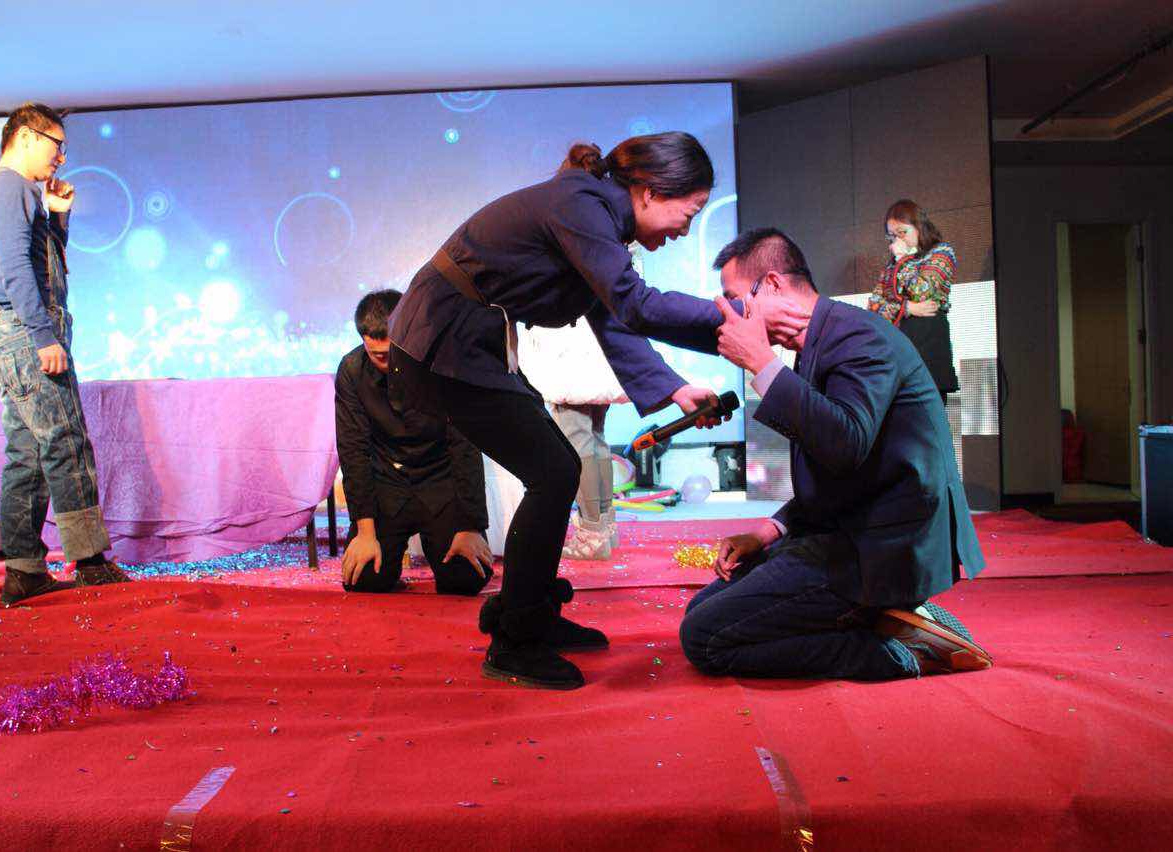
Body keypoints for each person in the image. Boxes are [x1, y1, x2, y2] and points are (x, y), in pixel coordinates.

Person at [389, 134, 805, 690]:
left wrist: (676, 388)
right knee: (554, 471)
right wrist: (740, 318)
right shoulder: (581, 205)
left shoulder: (594, 215)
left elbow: (614, 318)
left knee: (558, 467)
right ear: (651, 191)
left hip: (463, 338)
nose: (686, 230)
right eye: (690, 212)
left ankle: (531, 614)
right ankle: (516, 641)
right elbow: (633, 304)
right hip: (441, 340)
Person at [678, 228, 991, 681]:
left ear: (772, 284)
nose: (731, 318)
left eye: (734, 300)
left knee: (703, 638)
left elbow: (845, 445)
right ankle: (874, 619)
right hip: (846, 532)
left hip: (882, 551)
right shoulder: (818, 342)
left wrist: (762, 363)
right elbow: (838, 472)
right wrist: (766, 533)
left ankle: (893, 651)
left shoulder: (858, 336)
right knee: (701, 611)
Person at [0, 103, 130, 607]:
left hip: (9, 337)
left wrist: (57, 217)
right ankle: (92, 563)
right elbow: (15, 269)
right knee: (65, 443)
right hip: (25, 334)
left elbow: (41, 262)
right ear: (27, 137)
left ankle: (23, 570)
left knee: (29, 454)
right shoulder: (9, 185)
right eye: (57, 145)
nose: (61, 157)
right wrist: (42, 336)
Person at [335, 290, 493, 596]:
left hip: (440, 479)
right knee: (364, 579)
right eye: (378, 355)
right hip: (388, 481)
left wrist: (470, 526)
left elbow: (465, 443)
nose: (388, 362)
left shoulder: (444, 362)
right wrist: (365, 532)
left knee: (466, 578)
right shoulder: (352, 370)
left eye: (393, 351)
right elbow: (353, 449)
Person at [520, 242, 648, 562]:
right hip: (597, 343)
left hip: (572, 347)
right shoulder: (615, 243)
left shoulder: (580, 239)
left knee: (578, 440)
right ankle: (604, 528)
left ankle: (592, 534)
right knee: (596, 437)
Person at [866, 200, 960, 395]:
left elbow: (922, 291)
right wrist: (907, 308)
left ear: (918, 226)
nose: (897, 241)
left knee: (930, 408)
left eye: (902, 232)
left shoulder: (941, 252)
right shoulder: (892, 266)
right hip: (897, 344)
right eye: (892, 236)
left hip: (929, 339)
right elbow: (874, 307)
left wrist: (902, 258)